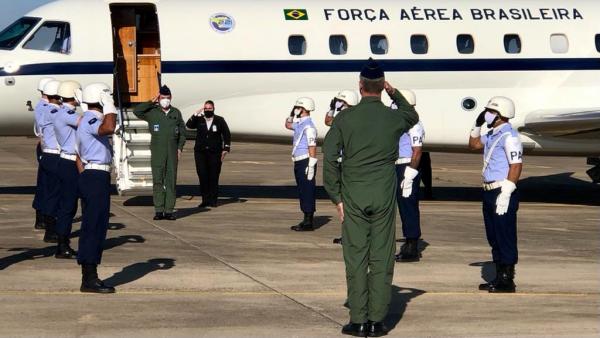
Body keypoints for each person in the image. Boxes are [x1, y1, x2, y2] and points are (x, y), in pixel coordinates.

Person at [323, 58, 419, 337]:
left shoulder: (345, 118)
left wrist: (336, 196)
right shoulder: (393, 117)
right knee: (381, 257)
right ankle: (377, 320)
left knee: (355, 257)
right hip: (383, 194)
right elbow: (411, 115)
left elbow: (330, 159)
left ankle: (359, 319)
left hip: (353, 194)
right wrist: (392, 91)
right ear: (380, 85)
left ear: (360, 85)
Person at [469, 96, 523, 293]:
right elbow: (473, 145)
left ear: (501, 115)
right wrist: (477, 125)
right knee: (493, 235)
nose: (487, 115)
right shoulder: (493, 134)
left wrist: (507, 191)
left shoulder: (509, 136)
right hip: (489, 190)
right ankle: (499, 275)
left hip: (502, 190)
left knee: (504, 235)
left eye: (491, 112)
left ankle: (507, 279)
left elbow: (516, 165)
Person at [76, 83, 117, 293]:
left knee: (97, 225)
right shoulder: (91, 118)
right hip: (95, 176)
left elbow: (77, 155)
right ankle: (88, 278)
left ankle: (90, 275)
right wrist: (109, 105)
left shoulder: (87, 119)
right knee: (94, 226)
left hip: (94, 175)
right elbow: (109, 128)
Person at [134, 85, 186, 221]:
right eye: (163, 98)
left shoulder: (176, 113)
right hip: (158, 152)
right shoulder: (152, 112)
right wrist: (152, 101)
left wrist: (180, 147)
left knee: (171, 181)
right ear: (159, 98)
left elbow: (182, 132)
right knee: (158, 180)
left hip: (172, 152)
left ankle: (169, 210)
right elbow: (137, 111)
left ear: (171, 98)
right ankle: (159, 210)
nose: (166, 100)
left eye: (168, 98)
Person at [390, 90, 425, 262]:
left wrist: (410, 174)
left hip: (407, 166)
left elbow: (417, 151)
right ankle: (408, 240)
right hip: (396, 165)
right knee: (401, 205)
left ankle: (412, 245)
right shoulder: (399, 123)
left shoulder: (415, 125)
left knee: (408, 204)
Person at [52, 80, 83, 259]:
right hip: (70, 162)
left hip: (68, 162)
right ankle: (62, 244)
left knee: (69, 206)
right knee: (68, 206)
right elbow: (86, 121)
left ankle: (63, 242)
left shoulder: (62, 112)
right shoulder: (67, 114)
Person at [324, 90, 358, 244]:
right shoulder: (341, 118)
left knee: (349, 202)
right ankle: (346, 234)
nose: (339, 105)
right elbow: (327, 121)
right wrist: (332, 108)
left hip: (348, 164)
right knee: (344, 200)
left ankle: (351, 234)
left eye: (341, 102)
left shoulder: (352, 120)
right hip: (341, 161)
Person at [186, 100, 231, 208]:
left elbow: (226, 134)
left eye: (209, 108)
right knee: (202, 175)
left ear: (213, 108)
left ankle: (213, 200)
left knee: (214, 176)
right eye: (206, 108)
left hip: (214, 153)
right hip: (200, 153)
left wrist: (226, 148)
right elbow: (189, 125)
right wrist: (195, 114)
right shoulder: (199, 120)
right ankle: (205, 200)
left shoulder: (219, 120)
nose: (207, 110)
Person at [285, 97, 318, 232]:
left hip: (306, 160)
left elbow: (312, 146)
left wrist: (311, 165)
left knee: (307, 190)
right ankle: (305, 218)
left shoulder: (309, 126)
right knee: (301, 189)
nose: (297, 109)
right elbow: (287, 125)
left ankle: (308, 221)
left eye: (298, 108)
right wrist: (291, 114)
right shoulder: (299, 123)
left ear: (305, 109)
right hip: (298, 160)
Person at [38, 80, 63, 243]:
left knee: (48, 192)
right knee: (56, 195)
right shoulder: (56, 112)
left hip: (46, 153)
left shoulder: (43, 108)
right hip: (55, 156)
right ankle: (51, 230)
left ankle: (48, 226)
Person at [32, 77, 55, 230]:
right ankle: (45, 217)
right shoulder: (48, 108)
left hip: (43, 146)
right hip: (49, 149)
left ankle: (40, 217)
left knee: (43, 184)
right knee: (48, 186)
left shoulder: (41, 106)